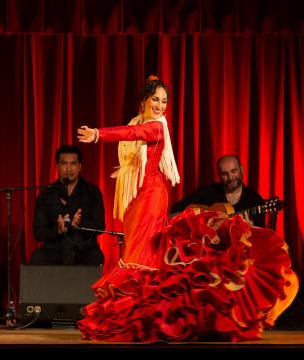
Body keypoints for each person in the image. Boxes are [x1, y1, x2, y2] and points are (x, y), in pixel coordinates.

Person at [75, 75, 298, 342]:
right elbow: (133, 132)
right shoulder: (139, 120)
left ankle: (140, 321)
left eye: (164, 101)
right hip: (136, 198)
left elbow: (132, 134)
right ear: (144, 101)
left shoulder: (156, 127)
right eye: (156, 99)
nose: (160, 105)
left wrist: (99, 134)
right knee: (142, 255)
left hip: (151, 197)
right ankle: (147, 320)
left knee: (141, 257)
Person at [30, 144, 105, 265]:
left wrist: (80, 224)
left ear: (80, 166)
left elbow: (100, 226)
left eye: (73, 164)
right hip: (54, 250)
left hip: (84, 249)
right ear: (57, 166)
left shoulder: (92, 191)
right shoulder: (47, 193)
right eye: (64, 164)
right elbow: (38, 233)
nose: (69, 169)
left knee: (96, 257)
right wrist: (58, 230)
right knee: (37, 258)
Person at [170, 154, 266, 227]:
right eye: (225, 174)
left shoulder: (255, 201)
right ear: (219, 176)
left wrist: (251, 229)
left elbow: (262, 238)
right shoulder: (209, 192)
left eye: (234, 171)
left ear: (242, 170)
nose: (230, 177)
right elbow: (177, 209)